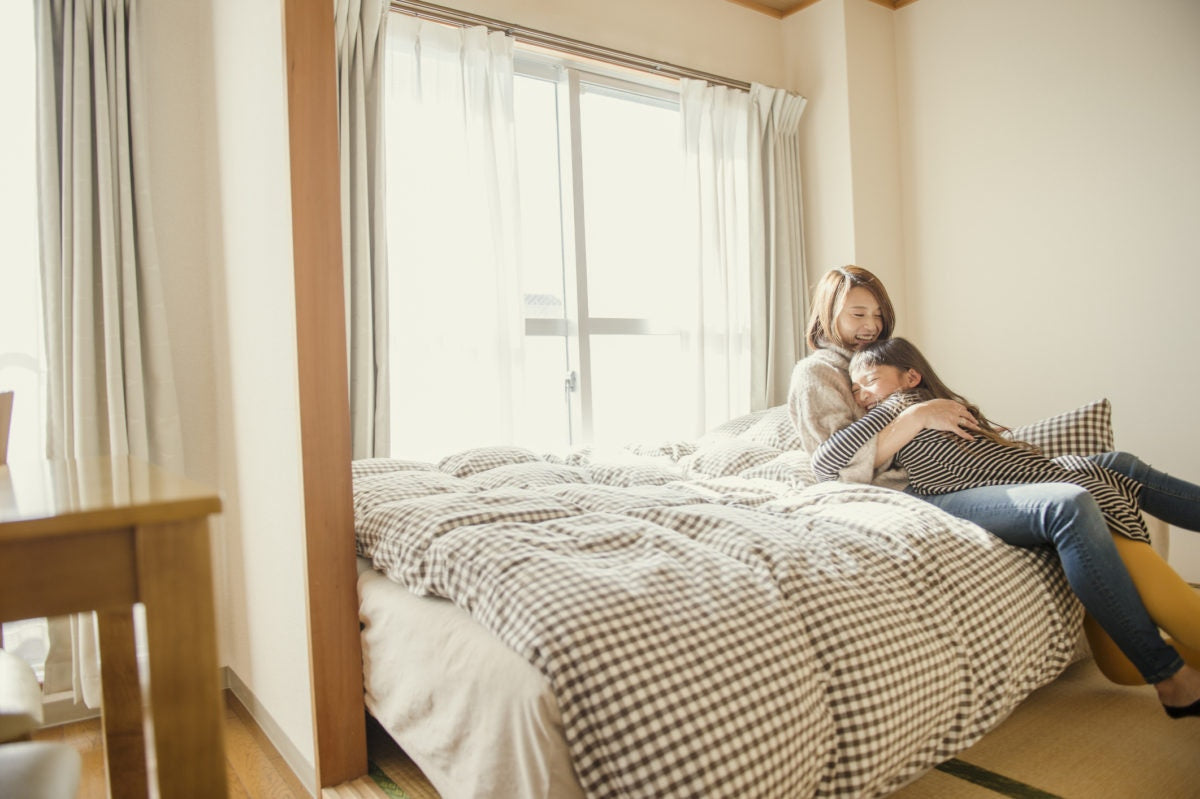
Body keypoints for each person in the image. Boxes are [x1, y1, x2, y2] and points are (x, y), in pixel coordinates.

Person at [787, 265, 1200, 718]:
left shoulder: (886, 361)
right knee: (1069, 504)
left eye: (878, 315)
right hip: (917, 490)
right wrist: (913, 417)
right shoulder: (819, 373)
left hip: (962, 471)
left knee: (1117, 466)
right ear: (828, 314)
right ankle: (1168, 677)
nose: (870, 326)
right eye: (857, 314)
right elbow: (832, 467)